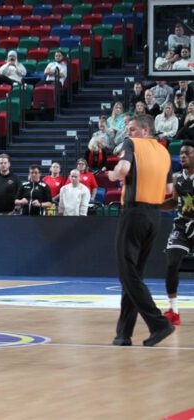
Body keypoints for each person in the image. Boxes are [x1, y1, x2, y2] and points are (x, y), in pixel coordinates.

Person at [108, 114, 175, 347]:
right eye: (128, 129)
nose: (129, 133)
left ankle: (158, 324)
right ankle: (123, 334)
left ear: (146, 131)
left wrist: (112, 174)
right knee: (133, 274)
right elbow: (169, 188)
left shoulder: (132, 144)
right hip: (154, 216)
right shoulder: (164, 152)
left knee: (127, 273)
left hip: (134, 214)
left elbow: (123, 170)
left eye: (133, 129)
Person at [160, 141, 194, 326]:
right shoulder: (176, 177)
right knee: (172, 264)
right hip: (182, 226)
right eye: (181, 153)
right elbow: (173, 202)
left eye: (187, 153)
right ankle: (174, 311)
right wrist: (154, 206)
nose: (183, 156)